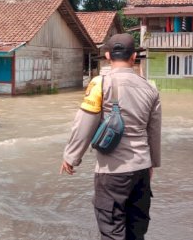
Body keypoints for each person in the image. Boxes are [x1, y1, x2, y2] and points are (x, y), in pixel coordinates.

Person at [60, 33, 162, 240]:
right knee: (136, 231)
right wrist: (152, 163)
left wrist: (71, 157)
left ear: (107, 56)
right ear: (134, 56)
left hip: (112, 172)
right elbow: (154, 131)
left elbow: (84, 123)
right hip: (141, 170)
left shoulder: (100, 83)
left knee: (112, 231)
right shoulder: (150, 88)